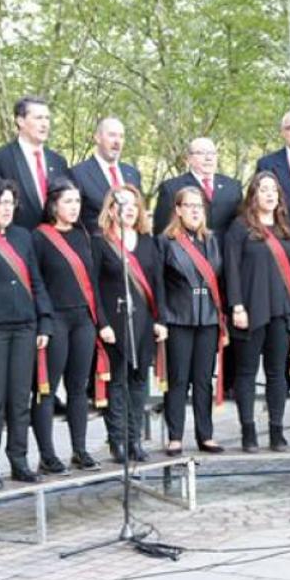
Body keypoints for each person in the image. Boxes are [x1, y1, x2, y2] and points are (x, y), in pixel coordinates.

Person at [0, 178, 54, 488]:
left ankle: (19, 459)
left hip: (25, 325)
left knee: (21, 398)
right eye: (0, 203)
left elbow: (36, 280)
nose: (6, 209)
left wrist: (44, 320)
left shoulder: (23, 236)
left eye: (10, 203)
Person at [31, 178, 107, 472]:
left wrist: (98, 319)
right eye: (68, 202)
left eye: (77, 202)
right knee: (47, 389)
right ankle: (47, 455)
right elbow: (35, 283)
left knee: (78, 387)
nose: (74, 208)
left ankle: (80, 449)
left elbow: (93, 282)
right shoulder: (39, 238)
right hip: (55, 320)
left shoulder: (83, 235)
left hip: (83, 319)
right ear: (53, 205)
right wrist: (44, 321)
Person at [225, 172, 290, 452]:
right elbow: (231, 269)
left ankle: (277, 431)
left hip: (281, 309)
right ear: (253, 195)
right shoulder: (240, 227)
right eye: (263, 189)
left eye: (273, 190)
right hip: (250, 309)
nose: (269, 195)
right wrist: (237, 306)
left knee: (277, 373)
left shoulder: (287, 228)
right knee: (245, 373)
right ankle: (248, 431)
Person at [94, 185, 166, 462]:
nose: (131, 210)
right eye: (125, 205)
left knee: (139, 383)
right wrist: (103, 323)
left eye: (135, 205)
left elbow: (157, 283)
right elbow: (95, 286)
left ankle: (135, 439)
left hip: (144, 321)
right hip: (115, 322)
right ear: (112, 209)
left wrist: (160, 319)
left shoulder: (148, 241)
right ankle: (118, 441)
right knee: (118, 383)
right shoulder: (102, 242)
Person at [160, 185, 226, 456]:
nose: (195, 211)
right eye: (189, 206)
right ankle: (175, 436)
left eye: (199, 206)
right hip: (179, 317)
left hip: (207, 318)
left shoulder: (212, 240)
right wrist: (162, 318)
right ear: (178, 210)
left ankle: (205, 434)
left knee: (202, 379)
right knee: (178, 379)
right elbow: (159, 284)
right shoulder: (166, 242)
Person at [0, 96, 70, 231]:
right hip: (17, 243)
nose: (45, 124)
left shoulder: (58, 161)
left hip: (55, 243)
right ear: (20, 121)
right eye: (38, 118)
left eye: (47, 118)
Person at [155, 137, 244, 234]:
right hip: (188, 247)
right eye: (201, 153)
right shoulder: (171, 188)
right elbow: (162, 230)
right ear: (189, 159)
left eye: (212, 153)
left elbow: (240, 226)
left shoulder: (233, 187)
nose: (208, 158)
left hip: (226, 248)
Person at [69, 117, 143, 234]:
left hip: (131, 248)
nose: (117, 141)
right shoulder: (78, 174)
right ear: (97, 138)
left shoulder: (133, 174)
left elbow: (140, 216)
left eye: (121, 136)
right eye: (112, 135)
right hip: (94, 247)